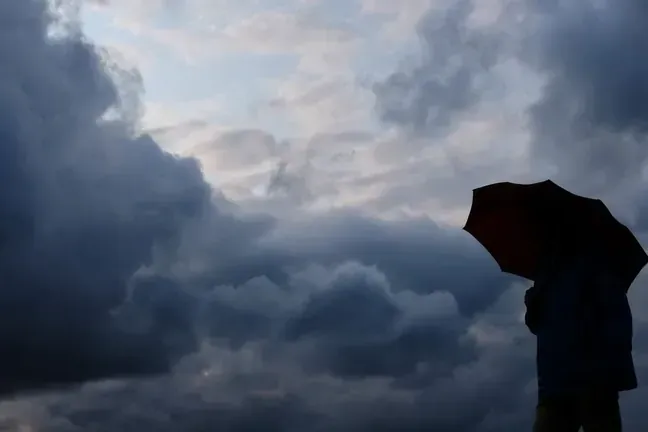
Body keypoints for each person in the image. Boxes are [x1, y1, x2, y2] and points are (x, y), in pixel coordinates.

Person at [524, 232, 637, 432]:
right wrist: (533, 304)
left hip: (591, 383)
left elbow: (616, 325)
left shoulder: (598, 270)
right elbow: (539, 325)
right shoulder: (547, 272)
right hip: (557, 383)